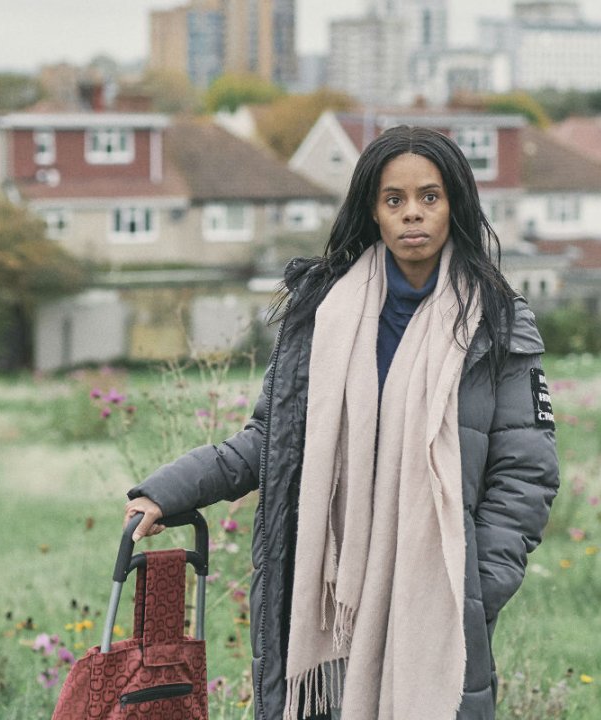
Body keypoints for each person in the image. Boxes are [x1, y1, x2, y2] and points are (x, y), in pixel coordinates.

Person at [123, 125, 559, 720]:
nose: (413, 215)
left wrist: (474, 590)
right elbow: (268, 442)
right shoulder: (321, 314)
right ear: (372, 211)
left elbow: (526, 475)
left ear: (455, 204)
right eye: (395, 199)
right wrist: (164, 493)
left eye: (430, 197)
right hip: (327, 602)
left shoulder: (497, 323)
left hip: (437, 600)